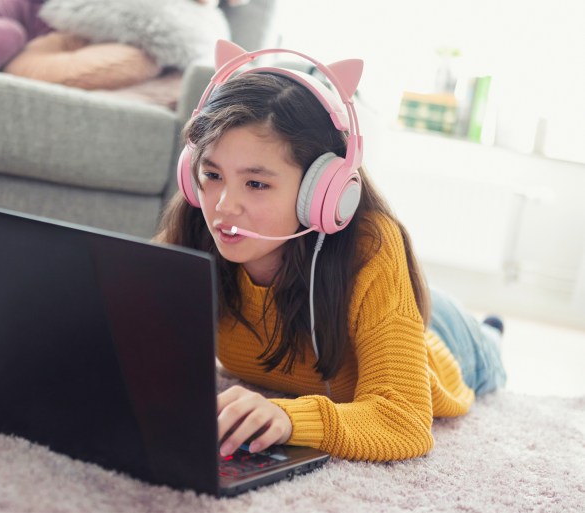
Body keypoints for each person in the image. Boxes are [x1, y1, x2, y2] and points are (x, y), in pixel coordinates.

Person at [155, 41, 507, 462]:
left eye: (256, 183)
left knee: (484, 342)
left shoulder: (370, 246)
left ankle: (492, 331)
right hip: (385, 308)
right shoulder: (195, 222)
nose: (223, 204)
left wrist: (289, 417)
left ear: (321, 193)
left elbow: (404, 421)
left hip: (450, 341)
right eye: (211, 174)